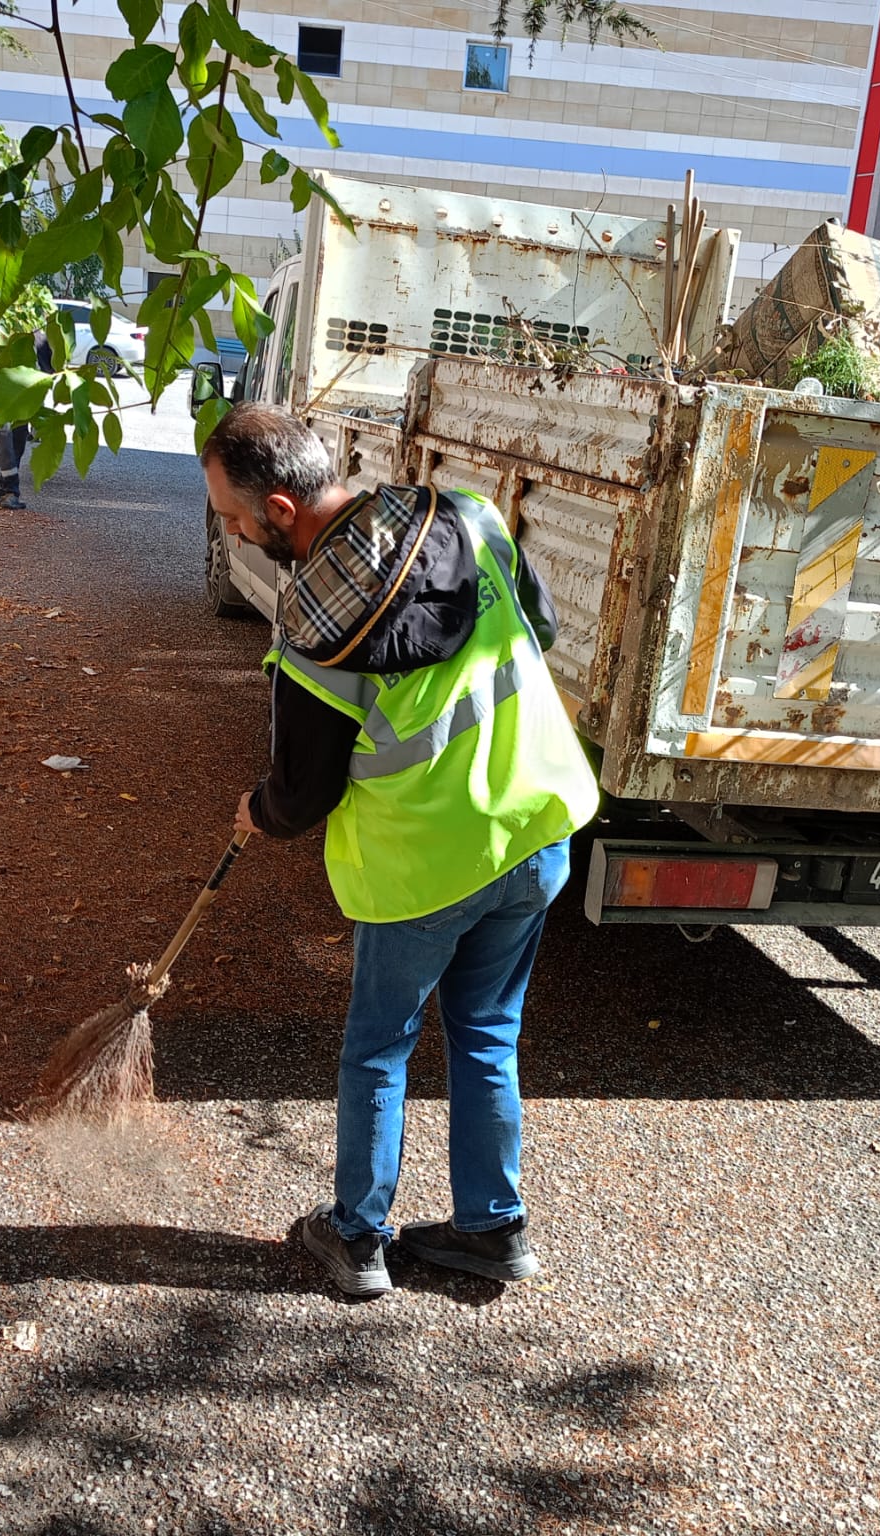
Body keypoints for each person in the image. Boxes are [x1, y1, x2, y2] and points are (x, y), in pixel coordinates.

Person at [200, 404, 599, 1299]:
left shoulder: (315, 628)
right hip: (535, 826)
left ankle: (357, 1236)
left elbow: (304, 795)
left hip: (426, 864)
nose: (232, 531)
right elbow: (544, 631)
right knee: (488, 1035)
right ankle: (492, 1230)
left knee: (380, 1047)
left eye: (233, 516)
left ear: (283, 510)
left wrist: (255, 813)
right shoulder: (470, 516)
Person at [0, 328, 56, 511]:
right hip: (1, 405)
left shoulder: (39, 341)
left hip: (23, 407)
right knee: (6, 449)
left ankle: (5, 491)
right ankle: (11, 493)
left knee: (17, 448)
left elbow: (51, 370)